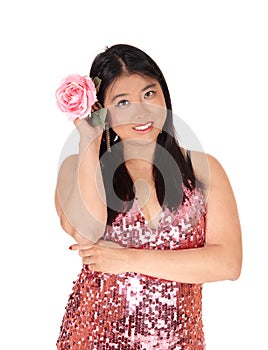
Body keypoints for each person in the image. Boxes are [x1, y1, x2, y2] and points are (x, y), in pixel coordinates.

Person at [55, 44, 242, 349]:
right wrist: (89, 139)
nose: (142, 112)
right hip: (93, 339)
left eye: (149, 94)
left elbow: (228, 263)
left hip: (181, 342)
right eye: (123, 102)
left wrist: (127, 259)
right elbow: (86, 231)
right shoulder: (76, 167)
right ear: (101, 109)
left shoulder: (202, 169)